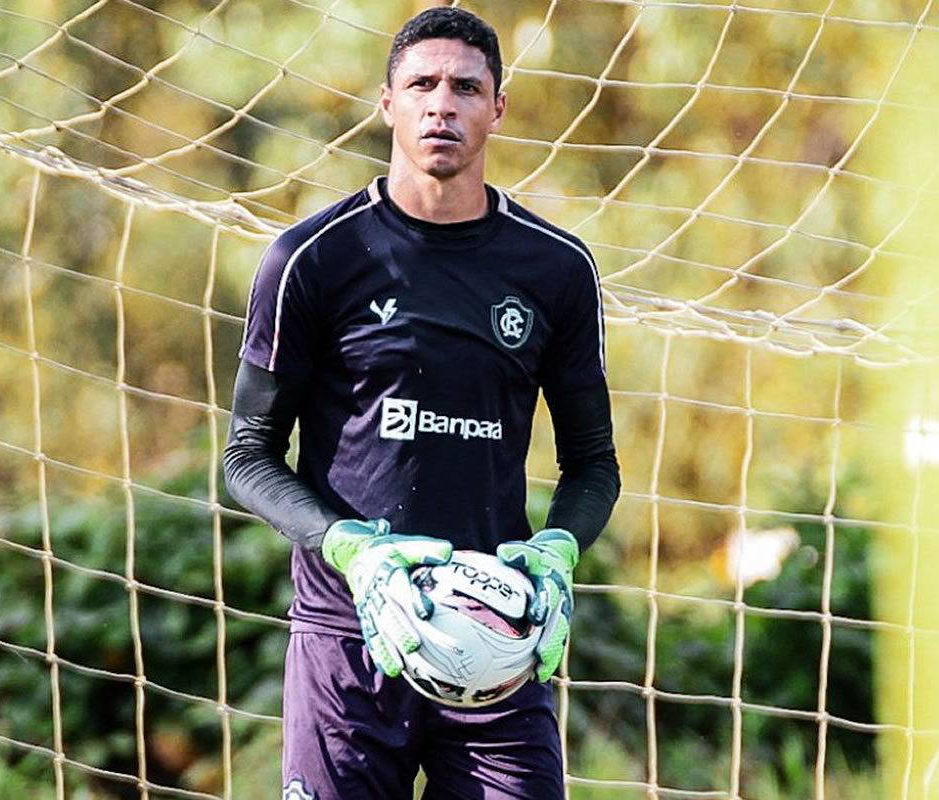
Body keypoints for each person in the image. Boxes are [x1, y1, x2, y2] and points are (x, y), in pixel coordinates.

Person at [224, 7, 620, 798]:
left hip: (495, 641)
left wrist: (558, 552)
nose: (443, 104)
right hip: (351, 639)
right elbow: (247, 456)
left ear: (497, 108)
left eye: (466, 87)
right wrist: (349, 548)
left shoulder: (556, 268)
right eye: (422, 85)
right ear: (387, 103)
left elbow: (593, 464)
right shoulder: (312, 258)